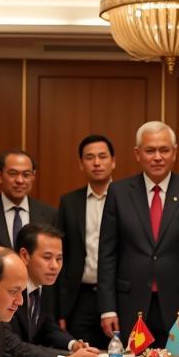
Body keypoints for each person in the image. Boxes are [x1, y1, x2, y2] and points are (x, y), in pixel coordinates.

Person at [98, 121, 179, 342]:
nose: (157, 157)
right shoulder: (119, 192)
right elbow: (107, 253)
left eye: (164, 150)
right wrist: (107, 308)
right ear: (137, 153)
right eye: (150, 150)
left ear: (174, 152)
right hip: (130, 306)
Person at [12, 223, 99, 357]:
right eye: (47, 257)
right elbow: (13, 346)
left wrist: (73, 345)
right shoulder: (9, 290)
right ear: (25, 255)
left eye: (59, 259)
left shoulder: (44, 284)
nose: (54, 266)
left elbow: (46, 326)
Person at [56, 133, 115, 342]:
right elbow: (61, 256)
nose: (97, 163)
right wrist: (61, 310)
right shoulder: (69, 202)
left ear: (113, 161)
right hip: (80, 297)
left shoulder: (128, 199)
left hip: (118, 296)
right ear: (81, 164)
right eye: (90, 157)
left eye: (102, 156)